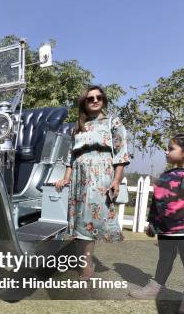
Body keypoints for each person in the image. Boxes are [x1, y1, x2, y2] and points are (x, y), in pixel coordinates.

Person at [129, 134, 184, 314]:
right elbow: (156, 201)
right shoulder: (166, 175)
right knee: (165, 258)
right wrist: (153, 223)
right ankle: (155, 287)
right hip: (166, 229)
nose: (166, 152)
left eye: (170, 148)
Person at [55, 85, 130, 279]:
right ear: (84, 102)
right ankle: (84, 261)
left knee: (91, 219)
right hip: (79, 176)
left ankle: (87, 264)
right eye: (90, 98)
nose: (95, 100)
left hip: (100, 174)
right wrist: (65, 179)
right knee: (79, 220)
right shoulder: (78, 126)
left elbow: (121, 154)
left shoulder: (113, 122)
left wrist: (116, 180)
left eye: (99, 97)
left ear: (104, 99)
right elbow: (71, 156)